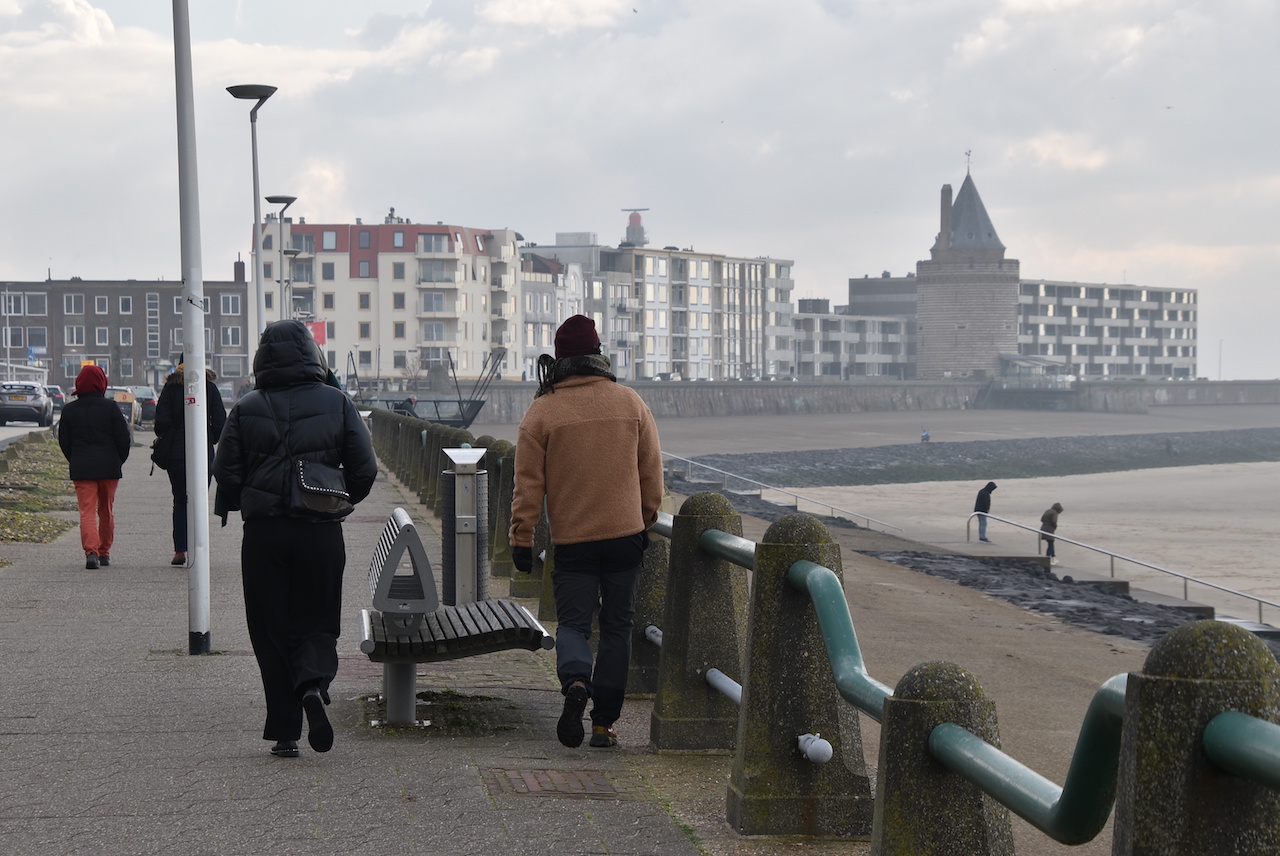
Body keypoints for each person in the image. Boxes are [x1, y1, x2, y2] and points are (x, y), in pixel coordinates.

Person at [212, 320, 377, 759]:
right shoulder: (337, 402)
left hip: (265, 535)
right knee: (318, 618)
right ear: (312, 354)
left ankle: (285, 731)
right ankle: (312, 685)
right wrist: (336, 499)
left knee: (270, 628)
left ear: (263, 358)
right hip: (319, 533)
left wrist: (253, 498)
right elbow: (365, 469)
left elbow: (225, 470)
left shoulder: (246, 407)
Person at [510, 315, 663, 749]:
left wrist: (522, 537)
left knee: (574, 624)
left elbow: (528, 484)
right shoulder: (630, 402)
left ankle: (577, 680)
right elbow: (651, 474)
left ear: (559, 359)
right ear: (598, 354)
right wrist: (645, 521)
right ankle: (603, 724)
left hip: (573, 541)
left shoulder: (543, 411)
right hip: (624, 537)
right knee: (617, 626)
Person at [154, 356, 228, 566]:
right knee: (199, 501)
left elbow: (160, 423)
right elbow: (220, 422)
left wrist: (173, 432)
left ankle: (180, 550)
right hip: (203, 452)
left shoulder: (170, 388)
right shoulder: (208, 387)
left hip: (176, 454)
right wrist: (209, 436)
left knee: (180, 500)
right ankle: (199, 549)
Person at [57, 365, 130, 569]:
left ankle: (91, 552)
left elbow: (64, 441)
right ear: (102, 383)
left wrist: (75, 459)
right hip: (109, 466)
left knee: (86, 511)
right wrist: (118, 460)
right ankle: (104, 552)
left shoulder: (69, 410)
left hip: (82, 467)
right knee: (106, 510)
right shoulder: (111, 407)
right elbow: (123, 438)